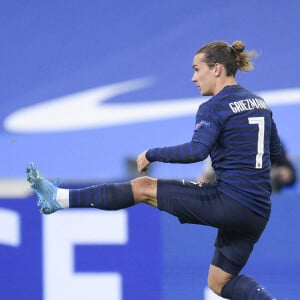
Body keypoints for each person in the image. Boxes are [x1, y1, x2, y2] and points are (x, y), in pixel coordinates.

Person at [27, 40, 281, 299]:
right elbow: (275, 153)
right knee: (219, 282)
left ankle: (59, 198)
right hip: (258, 211)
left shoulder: (214, 106)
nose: (193, 78)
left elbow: (196, 151)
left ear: (216, 69)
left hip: (228, 202)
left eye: (197, 69)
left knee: (143, 187)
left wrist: (152, 153)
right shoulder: (260, 103)